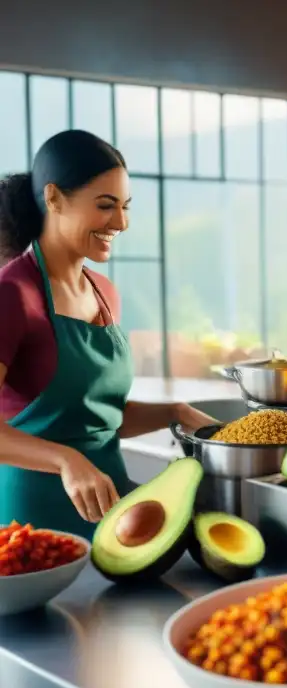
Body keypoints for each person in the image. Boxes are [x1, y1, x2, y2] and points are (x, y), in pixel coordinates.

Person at [0, 129, 215, 537]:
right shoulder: (12, 294)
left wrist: (176, 412)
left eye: (125, 207)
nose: (120, 222)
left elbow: (96, 418)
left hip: (113, 507)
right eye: (105, 206)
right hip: (32, 521)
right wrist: (67, 460)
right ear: (53, 198)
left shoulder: (104, 293)